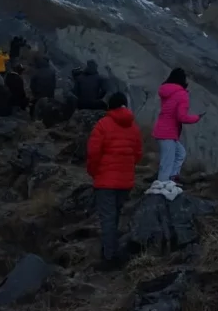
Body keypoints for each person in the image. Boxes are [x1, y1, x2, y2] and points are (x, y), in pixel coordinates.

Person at [86, 92, 143, 271]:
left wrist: (94, 173)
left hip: (106, 182)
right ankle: (111, 250)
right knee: (116, 216)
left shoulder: (102, 125)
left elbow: (93, 154)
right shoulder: (133, 127)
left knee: (108, 219)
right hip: (125, 183)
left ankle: (110, 259)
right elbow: (138, 155)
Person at [150, 68, 201, 193]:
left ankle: (171, 180)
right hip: (168, 132)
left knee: (180, 153)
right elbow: (181, 117)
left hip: (162, 130)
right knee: (166, 163)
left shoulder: (166, 91)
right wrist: (196, 118)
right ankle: (161, 190)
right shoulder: (182, 94)